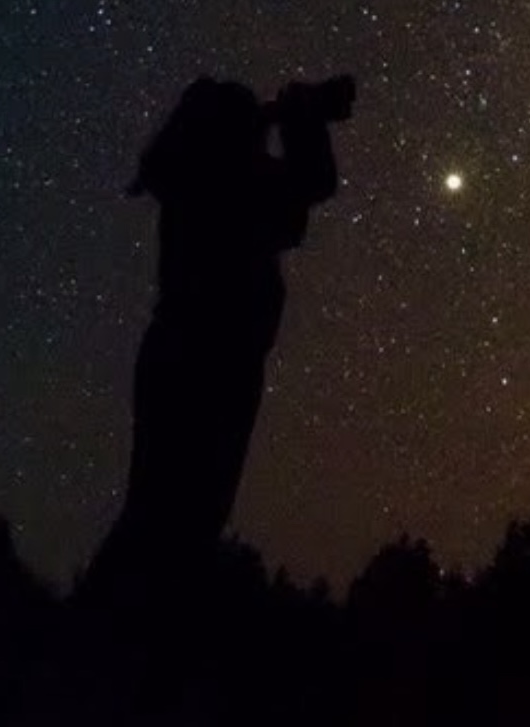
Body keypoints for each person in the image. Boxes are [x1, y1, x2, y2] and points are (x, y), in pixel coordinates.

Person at [84, 76, 350, 616]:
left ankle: (109, 641)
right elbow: (312, 185)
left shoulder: (193, 172)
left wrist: (287, 116)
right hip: (213, 361)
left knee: (168, 512)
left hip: (191, 356)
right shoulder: (221, 177)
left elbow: (295, 199)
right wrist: (299, 116)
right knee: (176, 516)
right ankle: (106, 648)